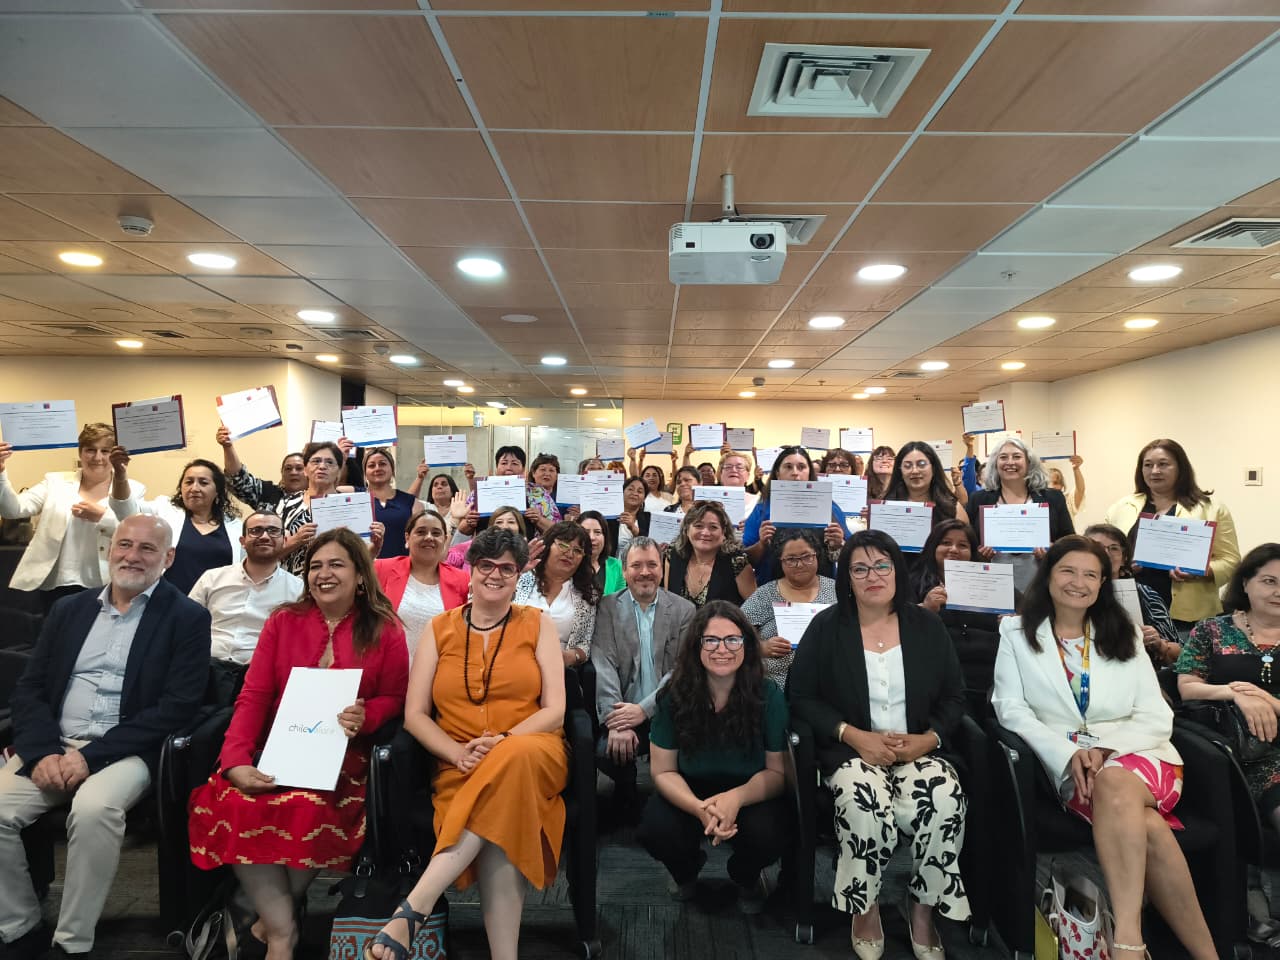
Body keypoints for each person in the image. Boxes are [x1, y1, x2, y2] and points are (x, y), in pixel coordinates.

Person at [188, 529, 409, 960]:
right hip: (279, 748)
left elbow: (395, 697)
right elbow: (253, 696)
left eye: (336, 564)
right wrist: (235, 759)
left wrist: (367, 715)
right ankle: (283, 927)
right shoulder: (283, 621)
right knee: (238, 801)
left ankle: (272, 927)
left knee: (308, 807)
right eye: (315, 566)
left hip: (344, 755)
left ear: (360, 576)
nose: (323, 574)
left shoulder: (385, 628)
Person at [992, 536, 1216, 960]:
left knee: (1114, 781)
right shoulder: (1015, 633)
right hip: (1073, 765)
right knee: (1150, 828)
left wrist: (1107, 749)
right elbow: (1011, 710)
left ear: (1102, 584)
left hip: (1143, 757)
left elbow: (1156, 715)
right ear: (1048, 575)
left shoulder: (1124, 633)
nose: (1078, 582)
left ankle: (1128, 937)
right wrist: (1066, 754)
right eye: (1068, 571)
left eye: (1090, 575)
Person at [0, 515, 210, 958]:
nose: (132, 556)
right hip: (55, 745)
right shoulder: (69, 610)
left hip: (128, 752)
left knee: (94, 810)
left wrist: (89, 757)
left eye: (147, 548)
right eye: (124, 544)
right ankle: (19, 926)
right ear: (110, 549)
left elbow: (177, 707)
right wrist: (43, 753)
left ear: (168, 557)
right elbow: (30, 689)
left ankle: (72, 942)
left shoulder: (187, 617)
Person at [364, 528, 568, 960]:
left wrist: (505, 741)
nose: (495, 575)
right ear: (470, 571)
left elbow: (555, 710)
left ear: (519, 575)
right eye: (486, 566)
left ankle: (414, 908)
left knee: (513, 760)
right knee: (500, 821)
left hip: (534, 750)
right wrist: (456, 753)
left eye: (507, 568)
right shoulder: (440, 628)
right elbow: (415, 715)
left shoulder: (539, 624)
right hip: (461, 764)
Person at [789, 530, 970, 959]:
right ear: (847, 579)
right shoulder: (827, 627)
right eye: (860, 569)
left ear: (897, 571)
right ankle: (864, 905)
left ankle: (922, 908)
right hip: (852, 750)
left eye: (882, 565)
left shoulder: (926, 625)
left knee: (944, 799)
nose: (873, 576)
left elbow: (955, 697)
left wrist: (928, 739)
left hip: (918, 748)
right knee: (862, 803)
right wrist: (853, 736)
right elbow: (801, 696)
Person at [637, 600, 790, 914]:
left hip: (749, 791)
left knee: (772, 833)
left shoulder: (769, 695)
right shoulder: (674, 695)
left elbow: (777, 774)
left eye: (733, 639)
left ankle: (744, 875)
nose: (722, 649)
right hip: (688, 790)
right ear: (696, 646)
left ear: (747, 645)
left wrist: (735, 798)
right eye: (711, 640)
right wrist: (699, 808)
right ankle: (686, 872)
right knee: (656, 829)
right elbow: (662, 772)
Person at [1175, 543, 1280, 938]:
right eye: (1268, 581)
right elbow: (1187, 686)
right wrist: (1236, 693)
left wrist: (1271, 702)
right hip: (1225, 754)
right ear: (1246, 583)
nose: (1278, 592)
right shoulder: (1212, 629)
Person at [591, 537, 696, 818]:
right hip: (623, 708)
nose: (645, 572)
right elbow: (603, 665)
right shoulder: (607, 607)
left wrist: (643, 710)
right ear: (624, 571)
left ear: (662, 569)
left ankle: (673, 803)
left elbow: (681, 670)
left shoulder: (684, 610)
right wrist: (617, 721)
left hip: (670, 710)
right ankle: (626, 796)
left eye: (652, 564)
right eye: (636, 565)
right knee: (605, 750)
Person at [0, 423, 145, 611]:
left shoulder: (132, 488)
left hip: (104, 583)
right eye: (90, 450)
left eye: (105, 451)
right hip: (56, 584)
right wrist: (1, 472)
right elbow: (13, 510)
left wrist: (102, 517)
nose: (98, 457)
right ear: (80, 452)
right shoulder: (55, 482)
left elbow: (136, 531)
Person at [1104, 438, 1240, 634]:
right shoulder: (1121, 507)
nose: (1155, 471)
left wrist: (1200, 571)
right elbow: (1102, 554)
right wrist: (1124, 565)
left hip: (1189, 616)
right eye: (1148, 465)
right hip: (1130, 609)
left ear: (1180, 468)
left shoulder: (1211, 508)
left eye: (1163, 464)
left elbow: (1231, 560)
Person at [225, 435, 376, 577]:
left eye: (330, 462)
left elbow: (363, 559)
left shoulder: (352, 506)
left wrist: (376, 546)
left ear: (339, 471)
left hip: (338, 584)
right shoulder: (284, 504)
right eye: (316, 461)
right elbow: (266, 556)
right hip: (291, 586)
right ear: (305, 470)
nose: (322, 466)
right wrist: (295, 540)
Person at [108, 453, 244, 593]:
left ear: (217, 491)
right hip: (169, 601)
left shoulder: (236, 527)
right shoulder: (163, 510)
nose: (194, 488)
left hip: (219, 602)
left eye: (203, 483)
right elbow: (125, 510)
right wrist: (120, 475)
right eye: (189, 482)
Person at [188, 509, 303, 668]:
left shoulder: (298, 589)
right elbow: (187, 623)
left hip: (261, 670)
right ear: (242, 541)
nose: (265, 536)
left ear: (284, 540)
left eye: (273, 531)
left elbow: (296, 641)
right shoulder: (212, 578)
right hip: (204, 665)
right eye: (256, 531)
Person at [911, 520, 1003, 715]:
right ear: (933, 547)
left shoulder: (992, 582)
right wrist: (924, 609)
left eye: (962, 545)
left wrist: (1011, 620)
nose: (953, 549)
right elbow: (894, 623)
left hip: (989, 682)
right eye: (945, 543)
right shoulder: (912, 582)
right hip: (936, 681)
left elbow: (1023, 615)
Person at [965, 437, 1074, 592]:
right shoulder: (979, 499)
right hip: (991, 586)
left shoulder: (1053, 498)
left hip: (1042, 585)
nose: (1010, 462)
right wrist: (979, 554)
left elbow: (1070, 541)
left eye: (1017, 456)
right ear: (995, 463)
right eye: (1003, 457)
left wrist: (1053, 549)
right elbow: (967, 542)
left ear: (1029, 462)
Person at [740, 528, 837, 690]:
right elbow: (733, 631)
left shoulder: (836, 590)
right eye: (791, 559)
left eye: (806, 557)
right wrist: (760, 647)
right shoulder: (766, 594)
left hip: (827, 684)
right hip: (774, 685)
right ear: (781, 561)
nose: (799, 564)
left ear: (817, 555)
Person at [375, 509, 470, 664]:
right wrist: (371, 551)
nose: (429, 537)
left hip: (439, 672)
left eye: (436, 533)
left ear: (445, 540)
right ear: (407, 538)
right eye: (421, 532)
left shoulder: (462, 580)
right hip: (388, 670)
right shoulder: (383, 568)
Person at [742, 446, 845, 586]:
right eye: (788, 467)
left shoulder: (830, 507)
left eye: (801, 467)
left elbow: (851, 554)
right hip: (771, 589)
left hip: (822, 591)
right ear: (778, 473)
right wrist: (761, 544)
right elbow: (745, 559)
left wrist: (839, 544)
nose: (795, 473)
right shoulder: (762, 510)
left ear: (809, 473)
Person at [1083, 523, 1180, 667]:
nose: (1106, 553)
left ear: (1124, 558)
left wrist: (1159, 644)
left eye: (1114, 548)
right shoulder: (1072, 592)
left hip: (1138, 669)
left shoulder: (1146, 594)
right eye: (1097, 546)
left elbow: (1180, 652)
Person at [514, 521, 600, 667]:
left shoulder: (587, 594)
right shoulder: (521, 577)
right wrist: (515, 571)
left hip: (559, 669)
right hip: (513, 659)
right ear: (547, 545)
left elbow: (585, 644)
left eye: (577, 550)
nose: (570, 554)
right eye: (564, 545)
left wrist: (571, 657)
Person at [665, 501, 756, 607]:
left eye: (713, 527)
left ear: (724, 532)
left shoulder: (737, 561)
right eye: (698, 526)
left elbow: (755, 609)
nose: (705, 533)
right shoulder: (673, 554)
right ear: (687, 530)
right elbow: (669, 604)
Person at [214, 426, 312, 513]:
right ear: (282, 473)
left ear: (308, 472)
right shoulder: (267, 493)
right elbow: (238, 480)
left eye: (299, 468)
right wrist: (228, 447)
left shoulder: (318, 498)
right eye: (288, 468)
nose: (293, 472)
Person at [452, 445, 531, 539]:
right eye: (504, 463)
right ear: (496, 468)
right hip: (486, 545)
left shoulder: (537, 494)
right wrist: (470, 521)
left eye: (514, 463)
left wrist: (538, 519)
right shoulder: (480, 490)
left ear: (523, 469)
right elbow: (463, 531)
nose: (509, 467)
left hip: (524, 545)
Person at [883, 441, 962, 526]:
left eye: (921, 464)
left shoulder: (952, 508)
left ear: (933, 468)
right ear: (900, 471)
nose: (915, 471)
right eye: (907, 466)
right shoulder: (885, 506)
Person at [364, 447, 418, 560]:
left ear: (392, 469)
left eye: (382, 464)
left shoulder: (411, 502)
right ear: (365, 473)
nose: (377, 468)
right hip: (366, 567)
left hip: (402, 567)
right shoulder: (355, 499)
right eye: (371, 465)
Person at [445, 505, 526, 572]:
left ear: (519, 527)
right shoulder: (474, 546)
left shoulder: (528, 550)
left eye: (511, 522)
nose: (505, 526)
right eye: (499, 522)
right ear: (491, 527)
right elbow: (444, 560)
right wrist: (455, 521)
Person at [578, 510, 625, 596]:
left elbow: (620, 600)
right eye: (586, 532)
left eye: (597, 532)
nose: (591, 537)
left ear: (605, 537)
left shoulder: (617, 566)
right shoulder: (569, 564)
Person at [525, 452, 565, 534]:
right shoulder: (524, 495)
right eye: (542, 469)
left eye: (551, 470)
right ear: (533, 473)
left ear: (557, 475)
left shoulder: (564, 499)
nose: (547, 474)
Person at [717, 450, 759, 521]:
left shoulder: (758, 502)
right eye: (728, 467)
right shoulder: (708, 501)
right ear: (720, 474)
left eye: (739, 467)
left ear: (748, 475)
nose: (733, 470)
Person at [615, 476, 652, 557]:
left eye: (640, 491)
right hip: (613, 563)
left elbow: (651, 545)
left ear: (644, 498)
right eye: (630, 489)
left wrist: (634, 528)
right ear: (622, 492)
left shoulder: (649, 519)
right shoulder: (610, 517)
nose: (635, 493)